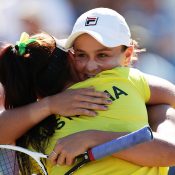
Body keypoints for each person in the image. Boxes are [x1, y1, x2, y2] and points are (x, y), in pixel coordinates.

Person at [0, 8, 175, 175]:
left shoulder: (28, 129)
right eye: (81, 55)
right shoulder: (125, 80)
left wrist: (91, 138)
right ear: (71, 56)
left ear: (128, 55)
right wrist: (50, 105)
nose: (91, 66)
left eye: (103, 55)